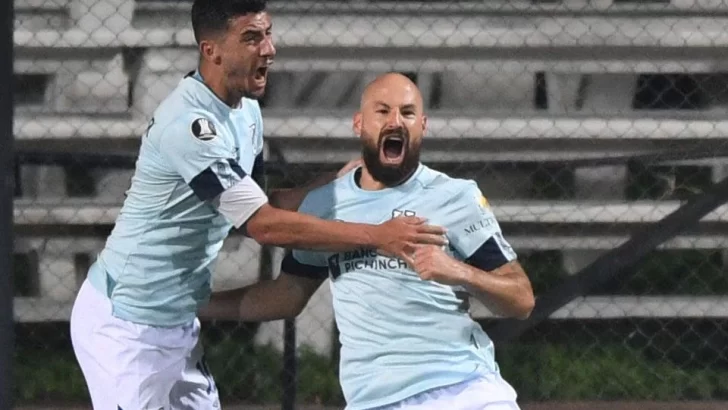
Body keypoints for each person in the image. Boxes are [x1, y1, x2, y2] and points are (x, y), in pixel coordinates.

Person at [68, 1, 447, 408]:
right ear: (211, 50)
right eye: (252, 37)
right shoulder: (191, 126)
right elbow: (263, 226)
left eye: (268, 33)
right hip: (126, 327)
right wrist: (377, 237)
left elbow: (261, 202)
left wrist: (337, 185)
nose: (269, 49)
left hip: (174, 323)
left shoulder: (246, 111)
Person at [201, 72, 536, 410]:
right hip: (373, 401)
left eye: (407, 113)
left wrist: (460, 272)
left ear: (423, 125)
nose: (396, 121)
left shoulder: (455, 197)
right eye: (383, 111)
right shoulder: (325, 205)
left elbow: (521, 299)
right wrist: (193, 305)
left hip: (462, 390)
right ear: (359, 124)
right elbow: (286, 296)